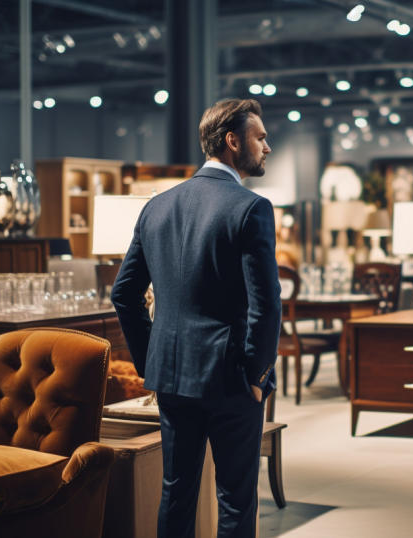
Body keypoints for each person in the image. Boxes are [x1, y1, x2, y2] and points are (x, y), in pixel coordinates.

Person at [111, 98, 281, 538]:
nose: (267, 146)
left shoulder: (157, 206)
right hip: (232, 380)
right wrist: (258, 373)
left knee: (177, 490)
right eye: (259, 137)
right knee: (235, 500)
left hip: (172, 376)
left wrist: (152, 361)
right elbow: (266, 305)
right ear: (231, 141)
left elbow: (123, 294)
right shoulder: (251, 208)